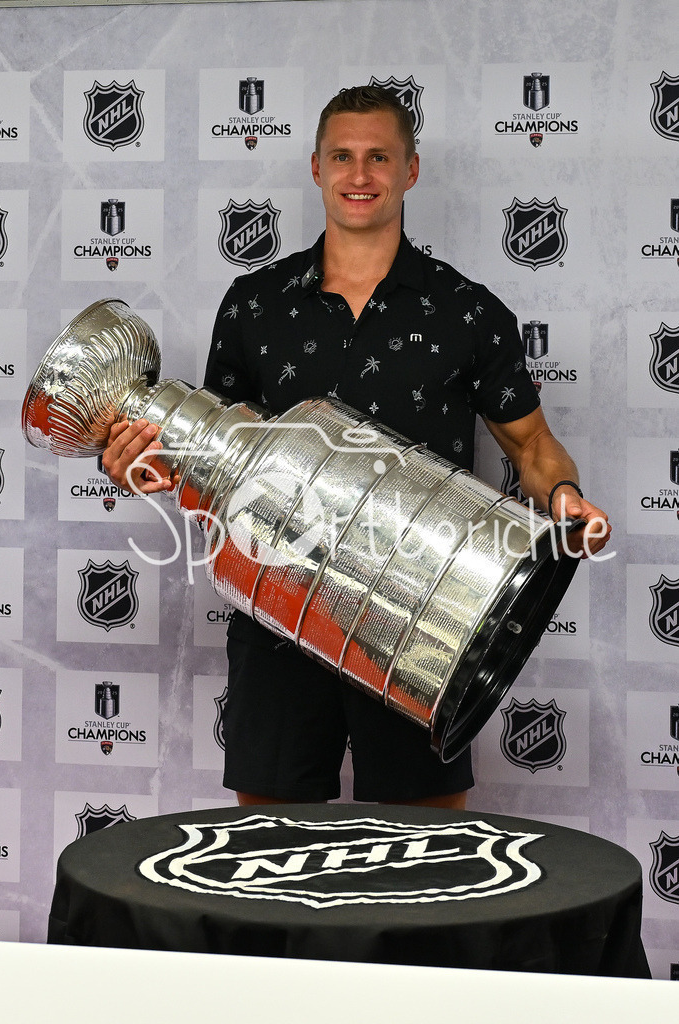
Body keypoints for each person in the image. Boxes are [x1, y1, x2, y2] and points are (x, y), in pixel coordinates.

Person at [102, 86, 611, 810]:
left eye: (380, 157)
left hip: (425, 625)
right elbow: (208, 458)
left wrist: (561, 497)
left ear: (411, 170)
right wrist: (145, 461)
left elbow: (531, 444)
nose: (360, 174)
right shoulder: (254, 303)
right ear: (316, 168)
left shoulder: (468, 310)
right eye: (343, 156)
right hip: (275, 612)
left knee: (421, 857)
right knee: (270, 856)